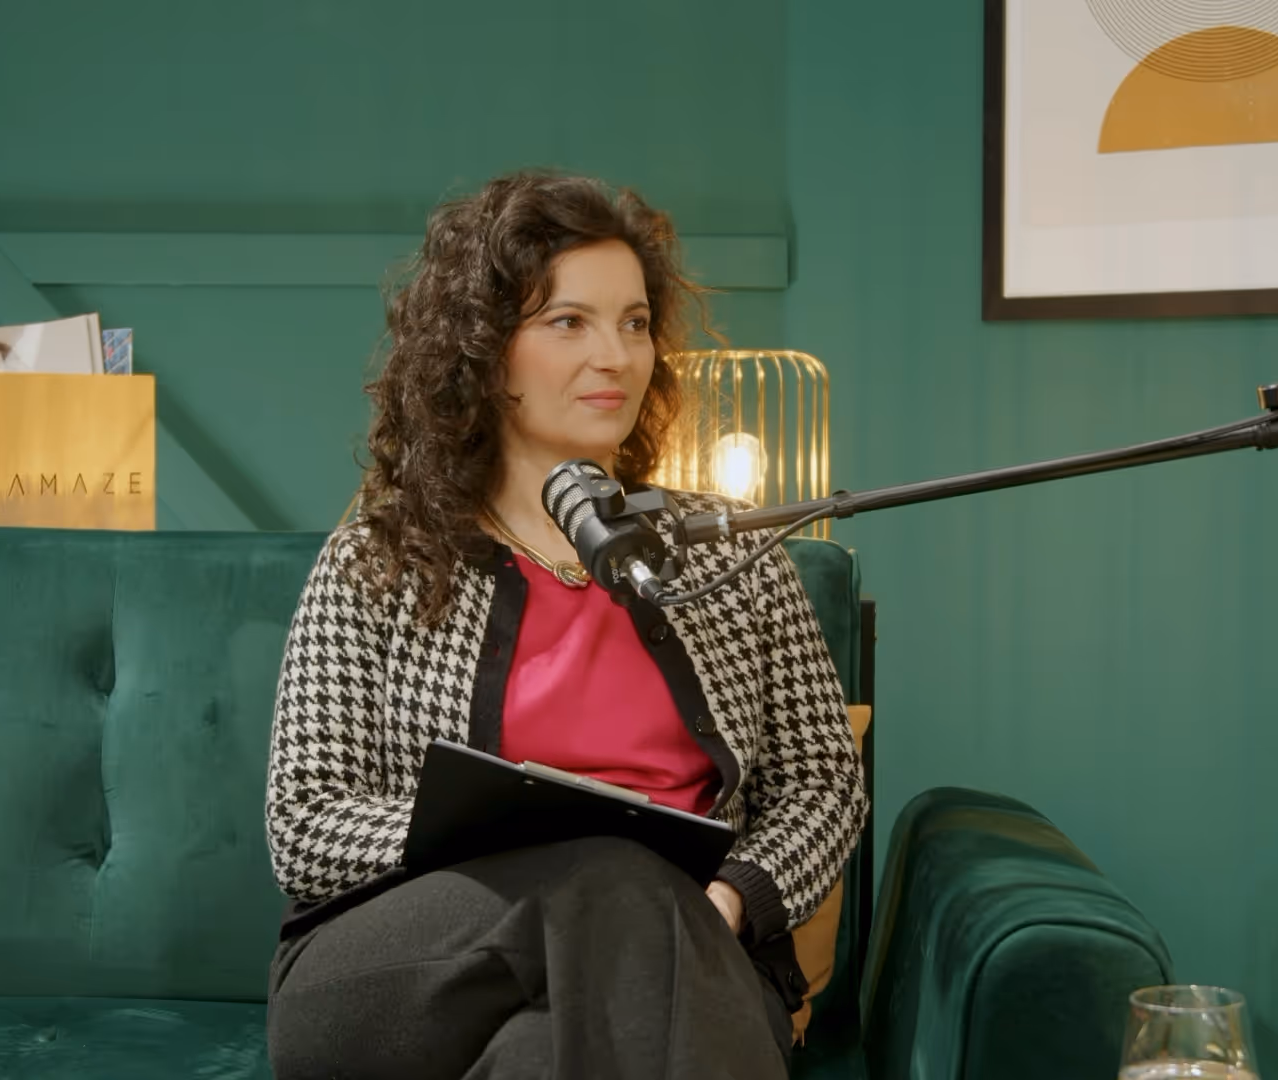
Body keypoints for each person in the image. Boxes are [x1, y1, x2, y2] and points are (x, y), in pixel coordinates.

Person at [264, 170, 868, 1079]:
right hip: (408, 970)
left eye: (634, 323)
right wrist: (518, 839)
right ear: (485, 349)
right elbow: (306, 824)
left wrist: (728, 901)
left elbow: (823, 781)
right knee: (611, 876)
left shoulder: (731, 554)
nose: (616, 356)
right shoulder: (380, 557)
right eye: (568, 322)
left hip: (691, 951)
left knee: (548, 1048)